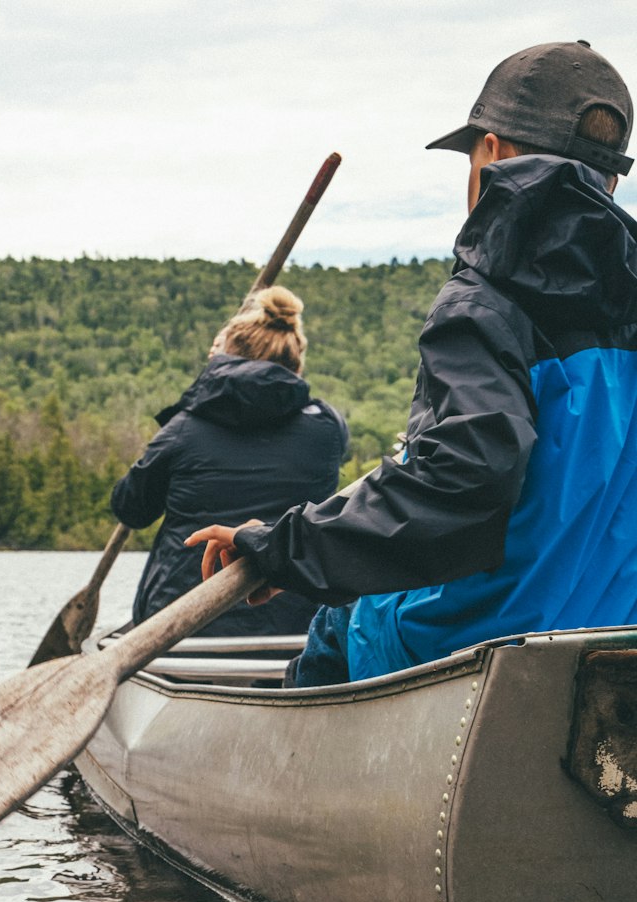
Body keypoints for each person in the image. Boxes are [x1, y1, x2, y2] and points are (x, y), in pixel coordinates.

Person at [188, 40, 637, 685]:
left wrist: (283, 550)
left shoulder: (486, 301)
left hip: (473, 651)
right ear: (612, 180)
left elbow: (466, 473)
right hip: (610, 654)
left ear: (493, 150)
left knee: (343, 618)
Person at [110, 286, 348, 638]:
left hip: (178, 627)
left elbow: (130, 508)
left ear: (222, 361)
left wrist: (200, 393)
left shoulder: (183, 429)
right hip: (290, 629)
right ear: (295, 365)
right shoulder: (328, 429)